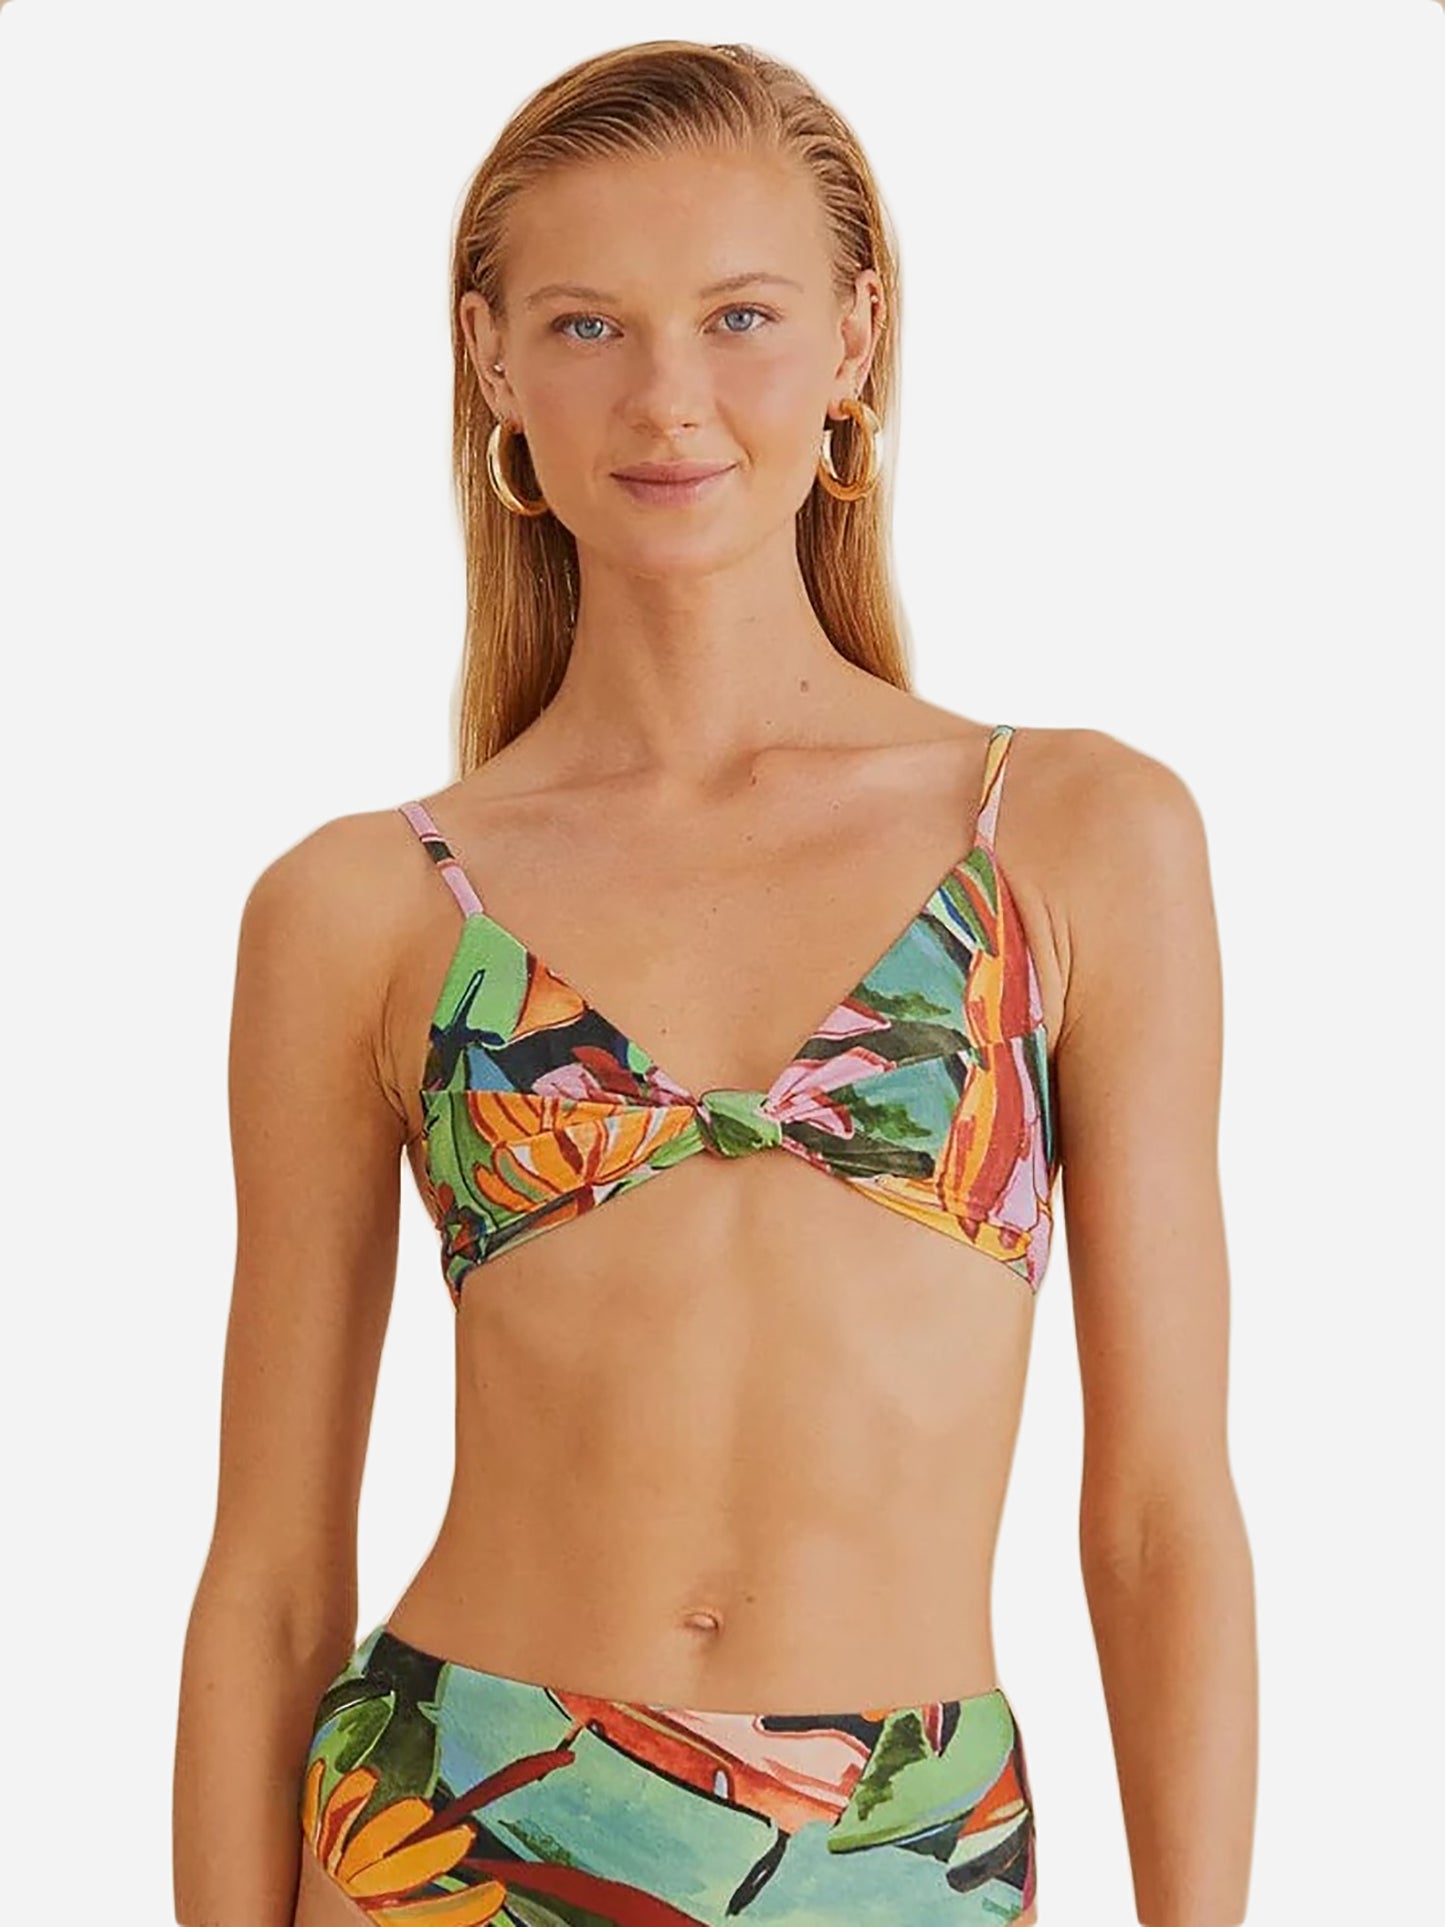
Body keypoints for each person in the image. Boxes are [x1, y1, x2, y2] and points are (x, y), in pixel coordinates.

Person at [172, 38, 1257, 1927]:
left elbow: (1162, 1520)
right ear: (491, 361)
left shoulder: (1073, 836)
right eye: (586, 326)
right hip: (451, 1826)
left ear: (854, 338)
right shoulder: (363, 906)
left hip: (900, 1852)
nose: (666, 398)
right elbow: (268, 1571)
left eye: (738, 316)